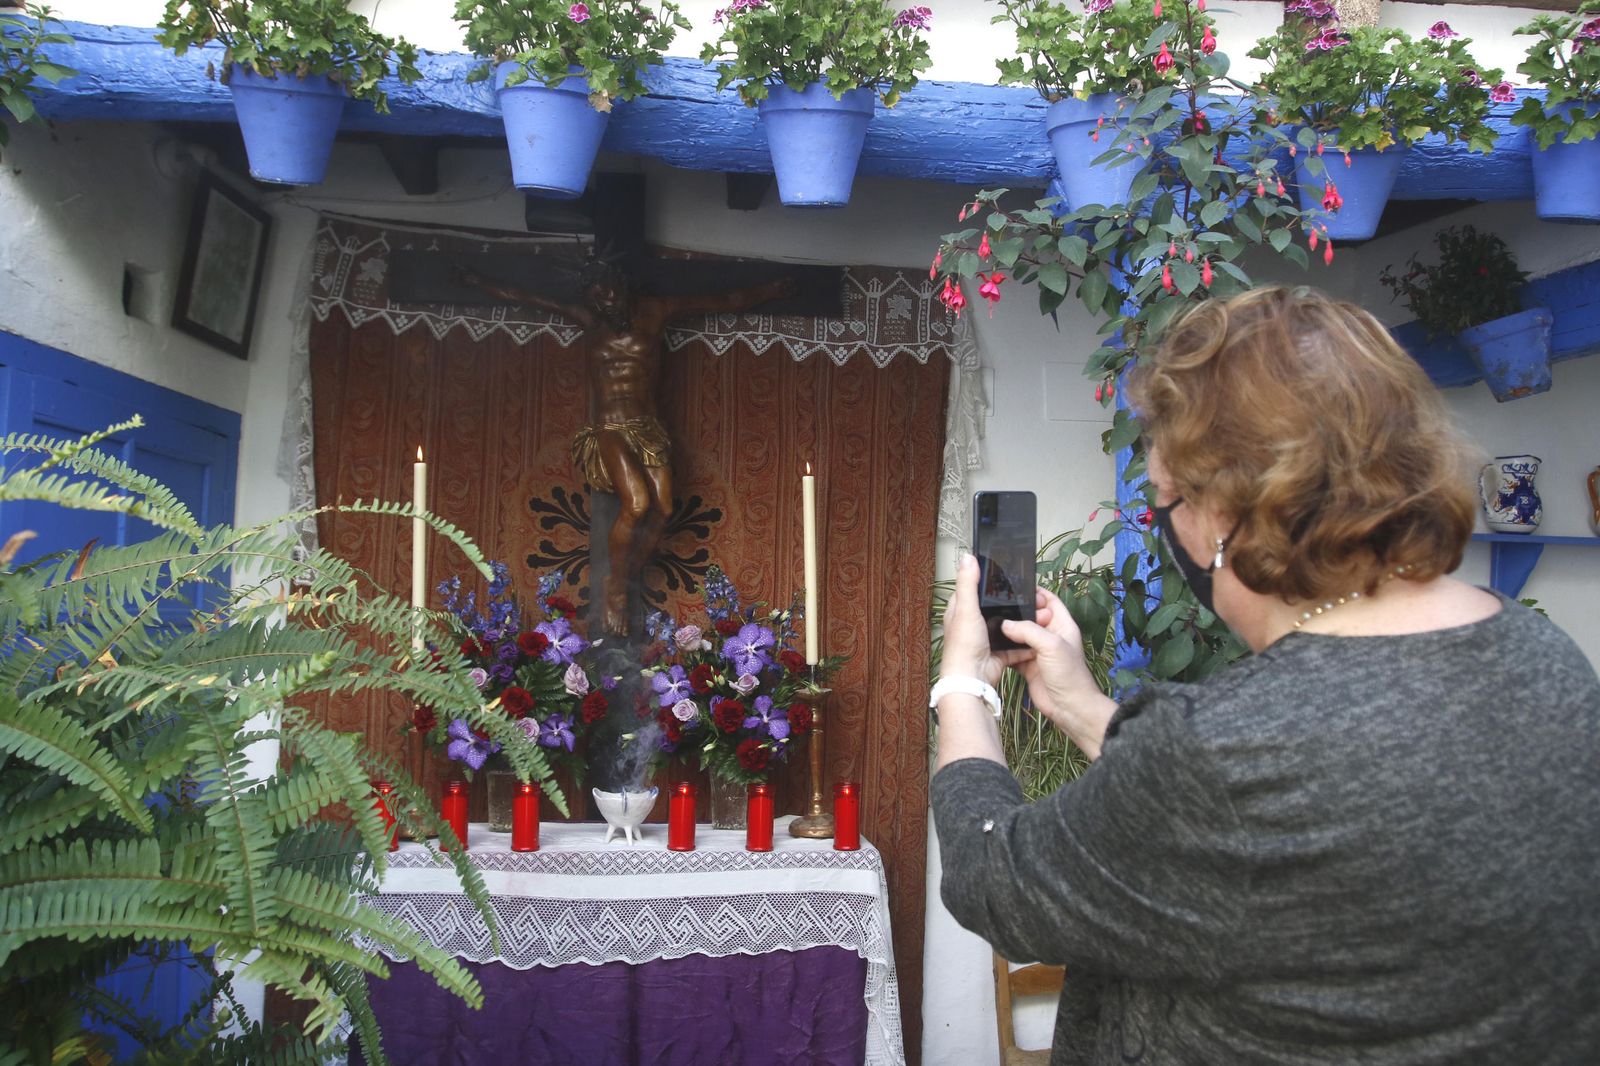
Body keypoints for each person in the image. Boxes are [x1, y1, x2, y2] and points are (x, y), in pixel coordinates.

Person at [931, 286, 1600, 1065]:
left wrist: (964, 683)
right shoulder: (1546, 661)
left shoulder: (1221, 756)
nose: (1168, 524)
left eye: (1165, 501)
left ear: (1222, 511)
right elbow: (1289, 831)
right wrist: (1082, 706)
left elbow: (995, 877)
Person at [460, 256, 793, 636]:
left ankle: (625, 574)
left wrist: (768, 291)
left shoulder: (656, 311)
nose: (606, 304)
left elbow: (721, 300)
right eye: (597, 299)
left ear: (621, 284)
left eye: (609, 294)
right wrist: (478, 280)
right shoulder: (590, 320)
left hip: (647, 427)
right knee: (637, 503)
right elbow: (526, 297)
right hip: (608, 427)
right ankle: (615, 587)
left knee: (664, 508)